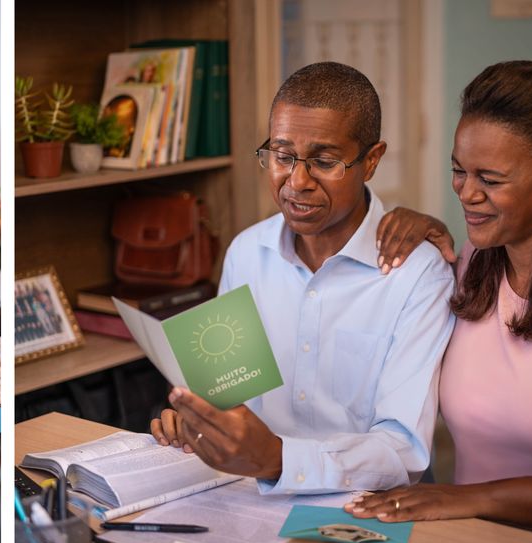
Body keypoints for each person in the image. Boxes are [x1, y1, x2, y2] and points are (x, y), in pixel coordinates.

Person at [346, 61, 532, 543]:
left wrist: (473, 499)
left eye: (490, 180)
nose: (467, 193)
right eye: (458, 171)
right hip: (473, 541)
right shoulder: (472, 263)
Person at [150, 62, 456, 494]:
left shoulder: (419, 275)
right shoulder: (246, 253)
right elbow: (225, 395)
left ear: (371, 161)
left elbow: (403, 452)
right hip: (247, 494)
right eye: (281, 155)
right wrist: (198, 419)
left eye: (324, 162)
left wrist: (277, 458)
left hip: (364, 505)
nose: (296, 181)